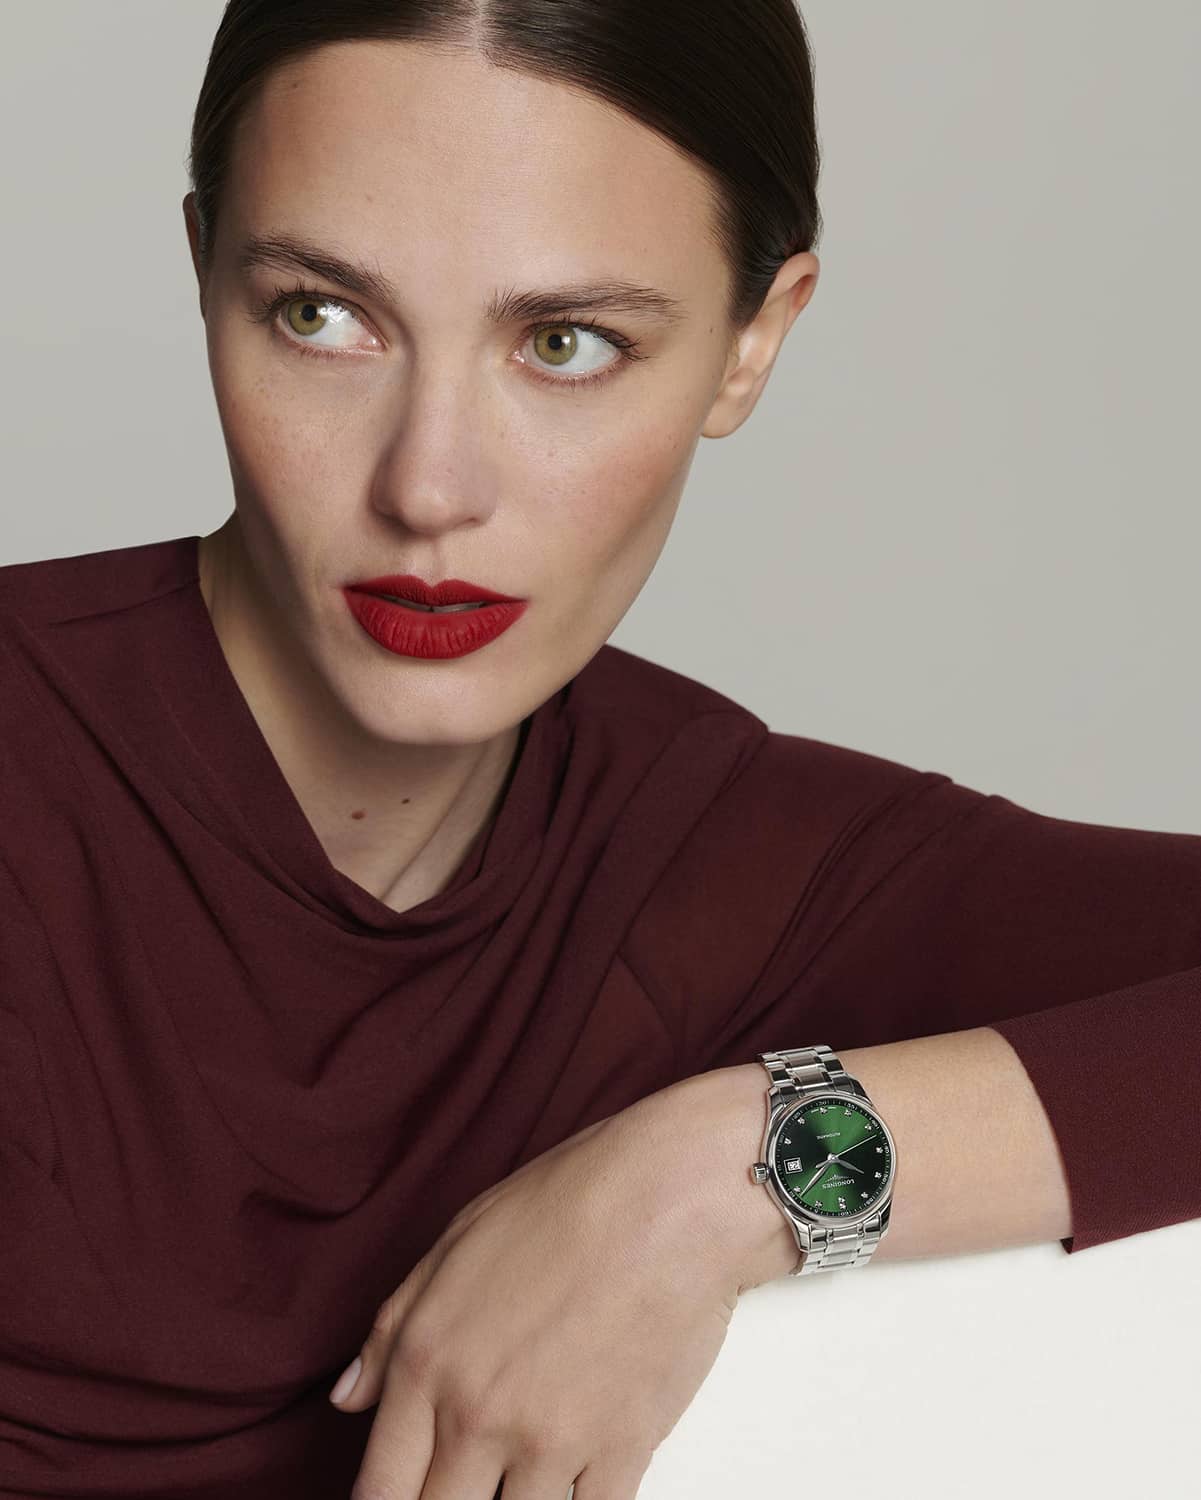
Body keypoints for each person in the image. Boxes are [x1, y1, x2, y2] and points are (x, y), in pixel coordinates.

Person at [0, 3, 1197, 1497]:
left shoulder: (741, 863)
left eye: (565, 344)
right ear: (203, 273)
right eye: (322, 315)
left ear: (752, 342)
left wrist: (732, 1173)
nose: (429, 485)